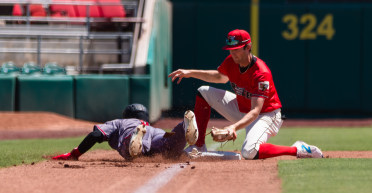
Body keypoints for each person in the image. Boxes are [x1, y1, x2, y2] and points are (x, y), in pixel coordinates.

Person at [168, 29, 323, 159]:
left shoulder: (261, 73)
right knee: (203, 92)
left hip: (266, 115)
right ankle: (199, 145)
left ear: (248, 47)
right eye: (230, 49)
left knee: (249, 152)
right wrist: (190, 73)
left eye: (236, 49)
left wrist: (233, 127)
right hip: (243, 109)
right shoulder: (231, 61)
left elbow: (256, 111)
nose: (232, 53)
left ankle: (297, 149)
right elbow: (219, 77)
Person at [52, 104, 199, 160]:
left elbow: (95, 135)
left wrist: (75, 153)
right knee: (169, 144)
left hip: (132, 131)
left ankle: (134, 141)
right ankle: (183, 126)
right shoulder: (152, 127)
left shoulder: (120, 122)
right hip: (157, 134)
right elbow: (168, 138)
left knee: (130, 146)